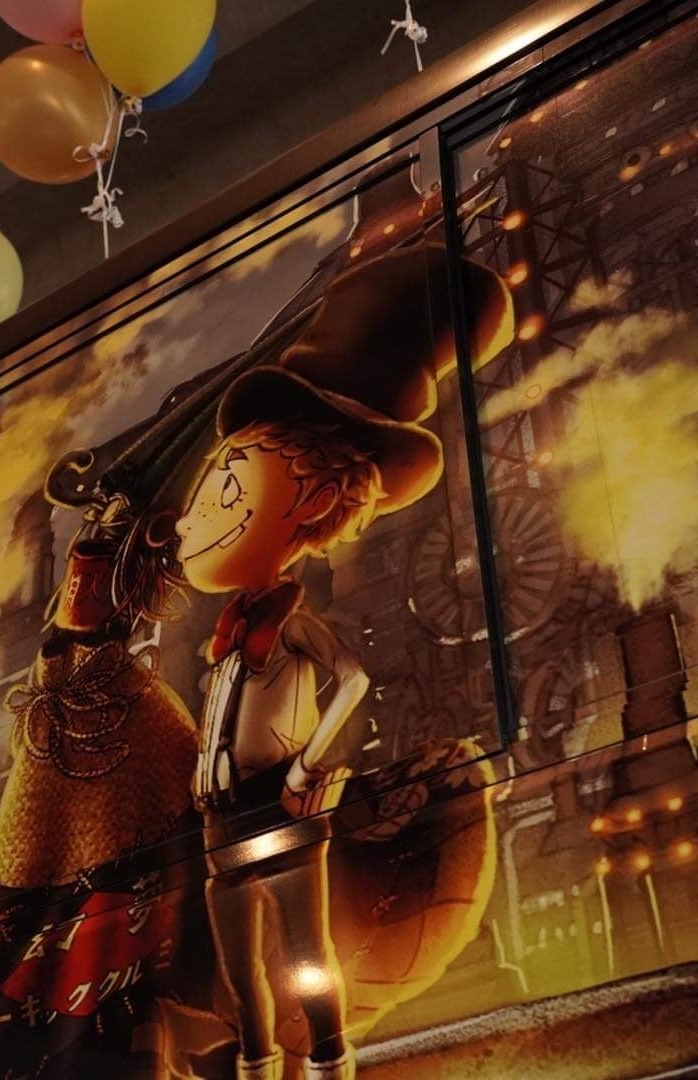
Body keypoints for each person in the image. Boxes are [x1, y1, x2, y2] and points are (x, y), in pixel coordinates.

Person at [174, 242, 512, 1080]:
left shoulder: (291, 622)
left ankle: (328, 1061)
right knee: (242, 968)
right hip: (222, 820)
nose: (196, 515)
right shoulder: (228, 631)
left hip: (280, 807)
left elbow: (352, 681)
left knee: (303, 954)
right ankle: (258, 1065)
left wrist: (309, 767)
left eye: (229, 489)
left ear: (317, 501)